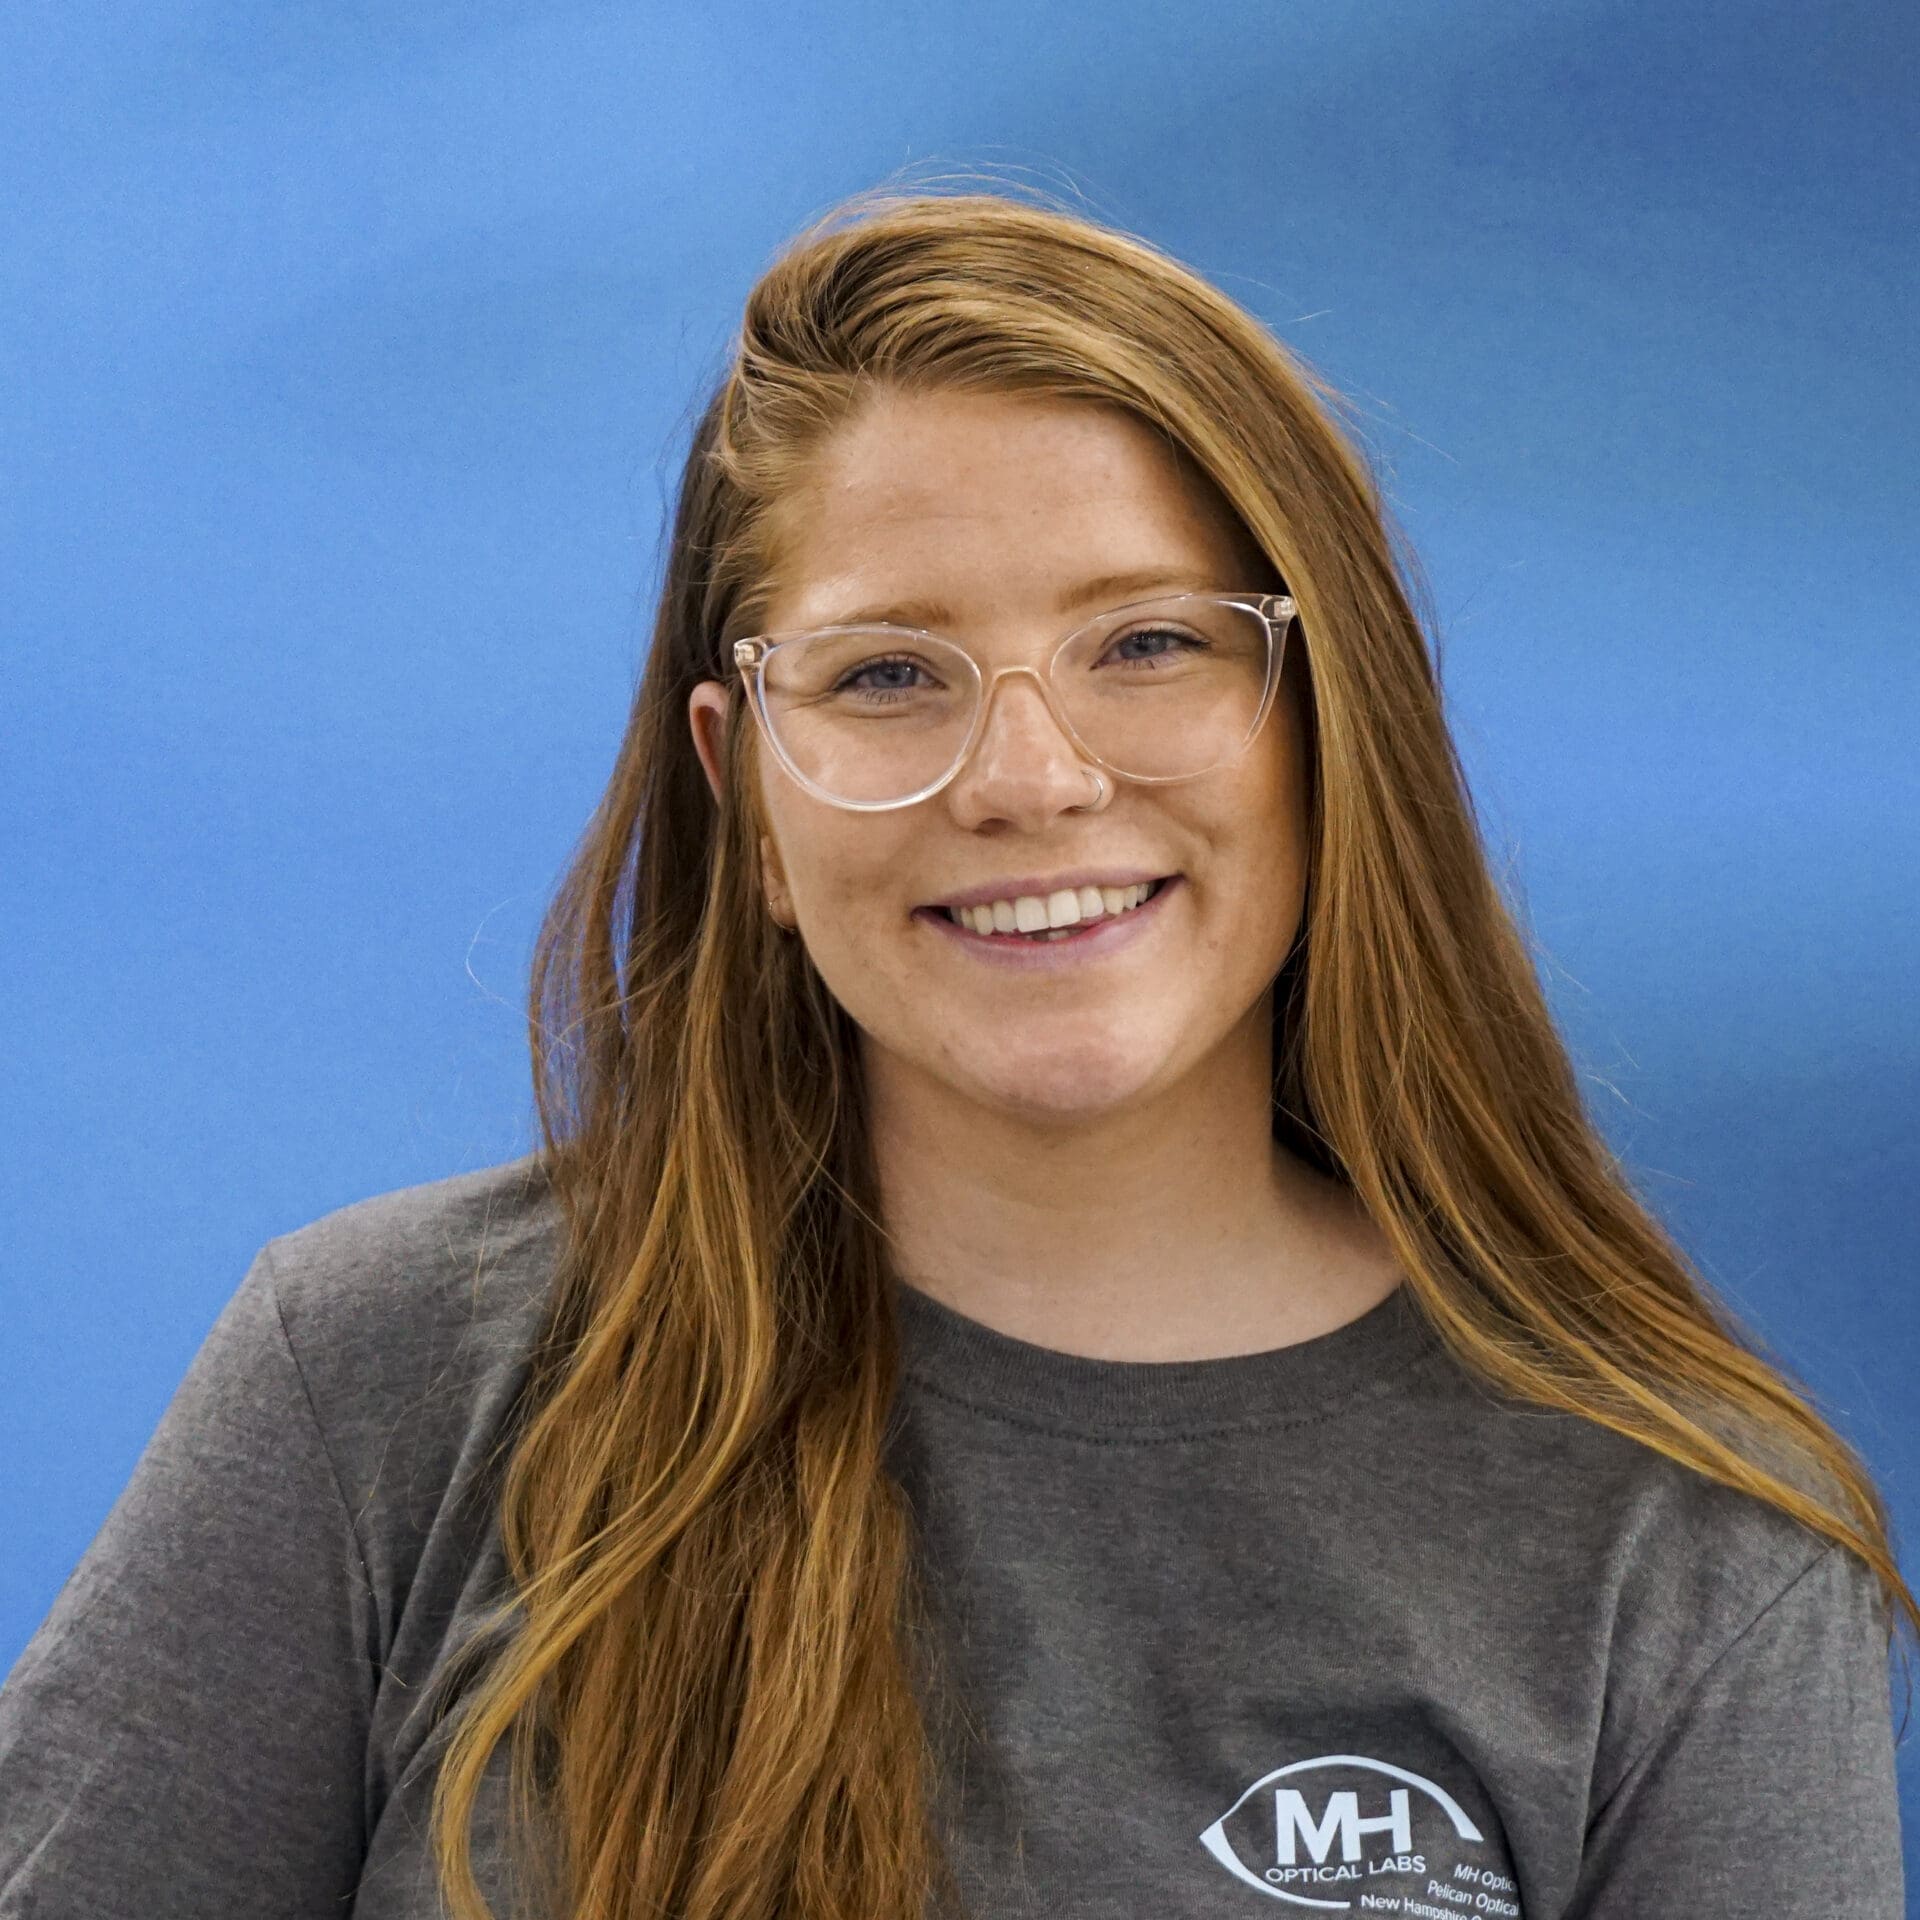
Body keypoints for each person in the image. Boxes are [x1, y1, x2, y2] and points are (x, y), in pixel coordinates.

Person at [0, 183, 1910, 1920]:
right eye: (888, 673)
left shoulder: (1679, 1555)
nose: (1029, 780)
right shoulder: (377, 1389)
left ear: (1336, 733)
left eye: (1151, 645)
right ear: (745, 797)